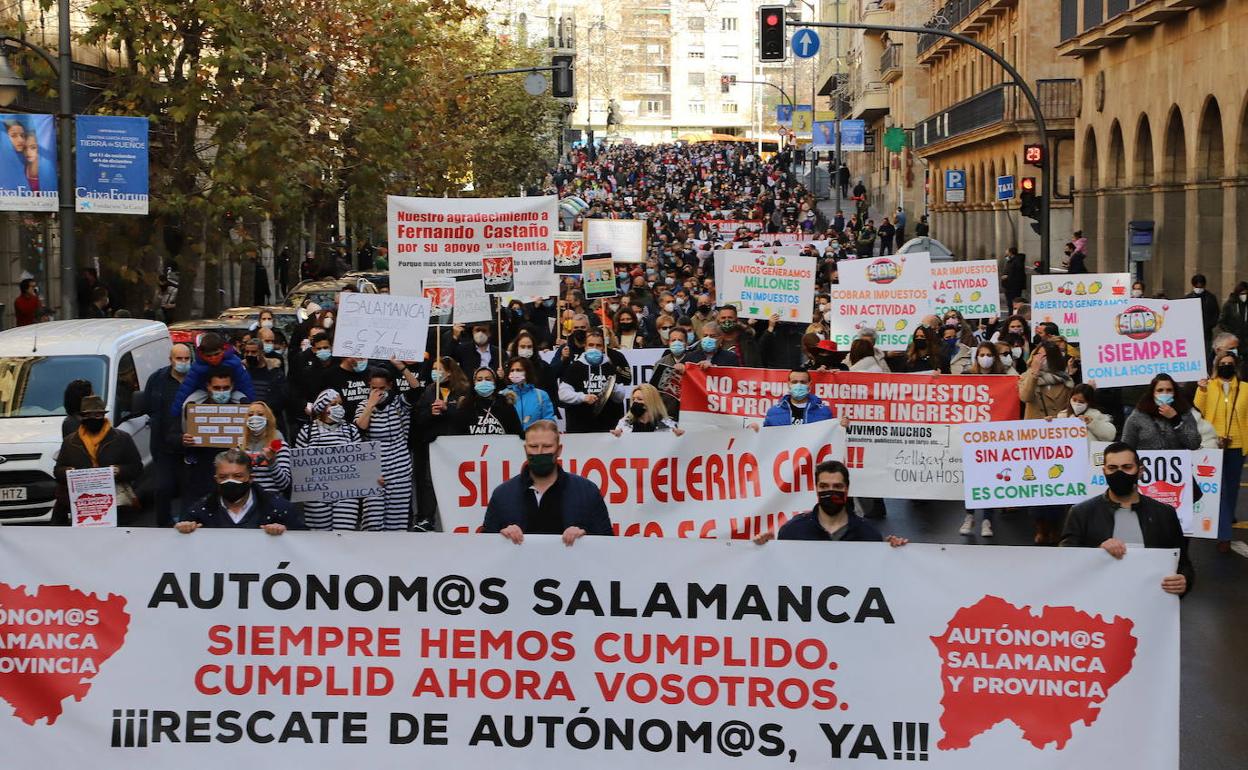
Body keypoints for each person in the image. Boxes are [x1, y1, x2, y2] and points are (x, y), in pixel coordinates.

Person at [1060, 442, 1192, 596]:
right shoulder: (1081, 513)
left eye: (1127, 467)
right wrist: (1097, 553)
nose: (1119, 473)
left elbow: (1183, 564)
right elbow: (1065, 562)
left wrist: (1184, 581)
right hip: (1097, 602)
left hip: (1150, 602)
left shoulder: (1164, 513)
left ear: (1140, 471)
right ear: (1104, 471)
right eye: (1112, 468)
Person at [482, 420, 613, 545]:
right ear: (525, 449)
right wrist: (501, 537)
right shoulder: (503, 494)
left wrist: (585, 537)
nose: (539, 452)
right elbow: (485, 547)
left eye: (547, 446)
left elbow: (608, 542)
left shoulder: (587, 492)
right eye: (533, 446)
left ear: (559, 449)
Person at [753, 461, 907, 545]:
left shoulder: (869, 535)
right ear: (816, 488)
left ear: (847, 489)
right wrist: (768, 551)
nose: (831, 491)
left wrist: (893, 552)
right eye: (824, 486)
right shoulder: (793, 531)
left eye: (837, 487)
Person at [51, 395, 143, 526]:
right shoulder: (70, 442)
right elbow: (57, 471)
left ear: (103, 415)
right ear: (82, 417)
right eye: (88, 415)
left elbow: (137, 468)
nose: (92, 419)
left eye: (97, 415)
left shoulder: (122, 438)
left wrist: (119, 470)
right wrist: (68, 472)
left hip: (117, 505)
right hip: (82, 504)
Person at [295, 389, 377, 531]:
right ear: (322, 408)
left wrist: (373, 477)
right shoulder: (307, 431)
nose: (338, 407)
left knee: (344, 535)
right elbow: (298, 466)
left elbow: (361, 463)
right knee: (319, 539)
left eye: (340, 403)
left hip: (346, 494)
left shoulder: (351, 430)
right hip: (316, 496)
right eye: (333, 404)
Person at [356, 365, 421, 531]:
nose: (378, 392)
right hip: (376, 471)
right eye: (373, 388)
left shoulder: (399, 403)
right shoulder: (363, 405)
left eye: (382, 388)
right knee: (373, 519)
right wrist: (370, 406)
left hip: (400, 469)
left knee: (397, 519)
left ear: (390, 386)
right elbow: (361, 427)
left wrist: (403, 368)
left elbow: (416, 389)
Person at [1194, 354, 1248, 550]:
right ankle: (1224, 534)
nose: (1226, 367)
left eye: (1230, 364)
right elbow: (1198, 409)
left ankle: (1226, 518)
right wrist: (1201, 389)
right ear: (1217, 367)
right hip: (1213, 445)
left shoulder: (1245, 388)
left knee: (1232, 489)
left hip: (1238, 445)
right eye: (1222, 364)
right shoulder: (1208, 386)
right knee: (1221, 490)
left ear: (1236, 367)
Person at [175, 449, 296, 534]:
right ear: (216, 479)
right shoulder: (199, 511)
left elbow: (302, 542)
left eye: (237, 476)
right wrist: (183, 529)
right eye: (223, 477)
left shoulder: (278, 509)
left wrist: (285, 531)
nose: (230, 481)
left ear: (250, 478)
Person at [177, 366, 250, 504]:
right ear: (208, 387)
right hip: (202, 472)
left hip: (233, 473)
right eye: (217, 388)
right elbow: (170, 435)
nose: (221, 392)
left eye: (225, 387)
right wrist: (182, 439)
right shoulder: (192, 406)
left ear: (232, 386)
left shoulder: (243, 405)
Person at [143, 343, 193, 526]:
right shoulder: (157, 380)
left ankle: (190, 524)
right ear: (170, 360)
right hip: (163, 446)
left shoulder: (197, 379)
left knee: (190, 491)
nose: (183, 362)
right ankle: (163, 527)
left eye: (187, 358)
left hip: (191, 447)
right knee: (163, 489)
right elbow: (149, 406)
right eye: (179, 359)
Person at [170, 332, 255, 417]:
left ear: (223, 350)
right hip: (204, 391)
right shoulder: (198, 366)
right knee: (186, 406)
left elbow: (246, 385)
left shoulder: (234, 363)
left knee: (245, 402)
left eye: (216, 354)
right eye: (209, 356)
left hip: (230, 391)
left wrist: (254, 407)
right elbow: (185, 389)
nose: (213, 358)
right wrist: (175, 413)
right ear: (202, 354)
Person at [559, 330, 628, 433]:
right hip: (579, 428)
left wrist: (611, 389)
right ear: (585, 347)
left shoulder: (610, 367)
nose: (594, 348)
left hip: (608, 428)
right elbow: (563, 394)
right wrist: (583, 397)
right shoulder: (575, 368)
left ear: (603, 348)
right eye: (591, 345)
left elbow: (620, 396)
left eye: (598, 345)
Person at [1122, 373, 1202, 451]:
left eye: (1169, 390)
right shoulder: (1138, 415)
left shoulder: (1184, 412)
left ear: (1175, 392)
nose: (1165, 393)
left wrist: (1176, 420)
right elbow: (1126, 447)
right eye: (1160, 390)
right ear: (1152, 393)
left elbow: (1194, 444)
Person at [452, 367, 523, 436]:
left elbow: (517, 433)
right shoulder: (466, 406)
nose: (484, 382)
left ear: (495, 383)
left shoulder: (505, 405)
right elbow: (456, 435)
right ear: (474, 384)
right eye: (479, 380)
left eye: (488, 379)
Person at [240, 402, 291, 495]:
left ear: (268, 419)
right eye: (250, 415)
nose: (254, 418)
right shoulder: (240, 446)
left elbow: (284, 484)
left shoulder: (278, 445)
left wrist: (272, 463)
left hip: (271, 501)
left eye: (260, 414)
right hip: (247, 500)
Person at [1018, 342, 1073, 419]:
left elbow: (1069, 407)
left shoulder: (1065, 379)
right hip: (1035, 427)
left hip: (1056, 427)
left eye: (1044, 356)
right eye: (1038, 354)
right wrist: (1034, 374)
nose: (1040, 358)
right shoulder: (1027, 376)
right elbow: (1025, 397)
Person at [503, 356, 557, 431]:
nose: (515, 373)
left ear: (527, 372)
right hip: (508, 440)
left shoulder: (541, 395)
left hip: (535, 439)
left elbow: (548, 421)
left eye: (519, 370)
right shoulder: (502, 395)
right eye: (512, 370)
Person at [762, 369, 833, 427]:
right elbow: (767, 438)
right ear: (789, 384)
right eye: (794, 382)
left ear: (810, 384)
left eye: (803, 382)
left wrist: (842, 428)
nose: (798, 385)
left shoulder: (824, 412)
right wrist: (756, 431)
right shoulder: (774, 412)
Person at [612, 384, 683, 434]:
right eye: (633, 399)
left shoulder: (667, 425)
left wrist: (678, 437)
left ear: (651, 402)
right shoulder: (624, 423)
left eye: (640, 399)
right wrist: (617, 438)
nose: (635, 402)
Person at [1185, 274, 1219, 355]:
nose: (1199, 288)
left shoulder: (1211, 298)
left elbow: (1216, 313)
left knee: (1206, 353)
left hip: (1206, 332)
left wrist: (1209, 325)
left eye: (1201, 286)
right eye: (1197, 286)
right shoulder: (1188, 298)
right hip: (1192, 332)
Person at [1218, 281, 1248, 360]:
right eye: (1242, 294)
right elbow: (1221, 322)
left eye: (1246, 293)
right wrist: (1231, 333)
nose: (1244, 296)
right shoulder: (1229, 304)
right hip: (1234, 339)